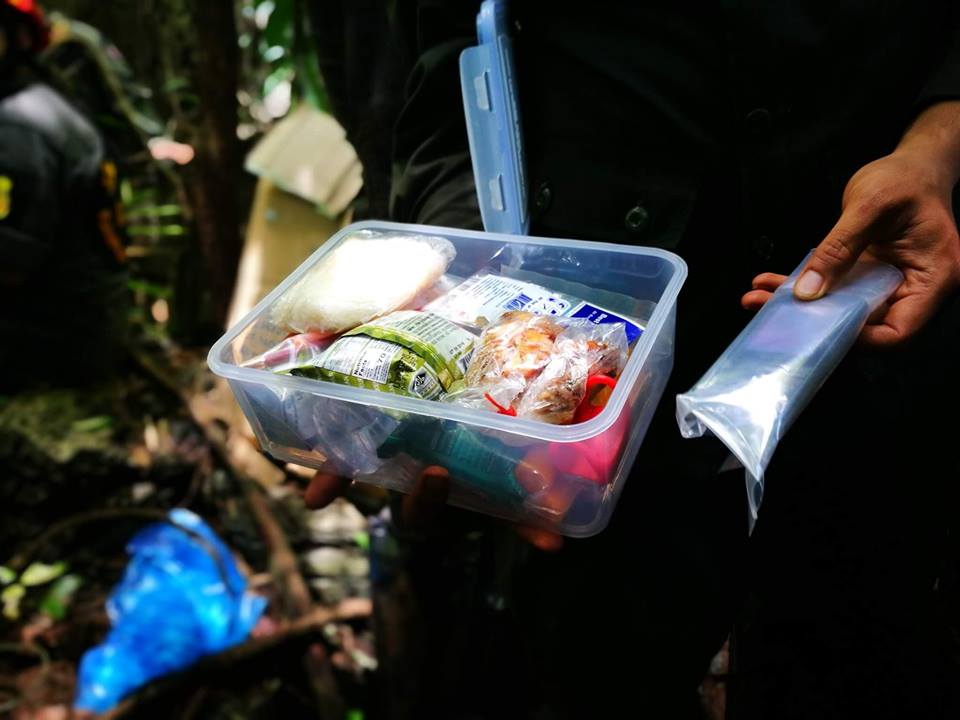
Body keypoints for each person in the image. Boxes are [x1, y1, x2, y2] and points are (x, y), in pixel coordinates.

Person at [308, 2, 960, 718]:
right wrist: (457, 293)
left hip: (878, 320)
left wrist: (937, 150)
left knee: (855, 650)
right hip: (583, 433)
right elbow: (448, 68)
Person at [0, 0, 127, 393]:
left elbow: (11, 262)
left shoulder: (16, 125)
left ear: (16, 37)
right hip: (87, 322)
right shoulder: (41, 98)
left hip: (52, 346)